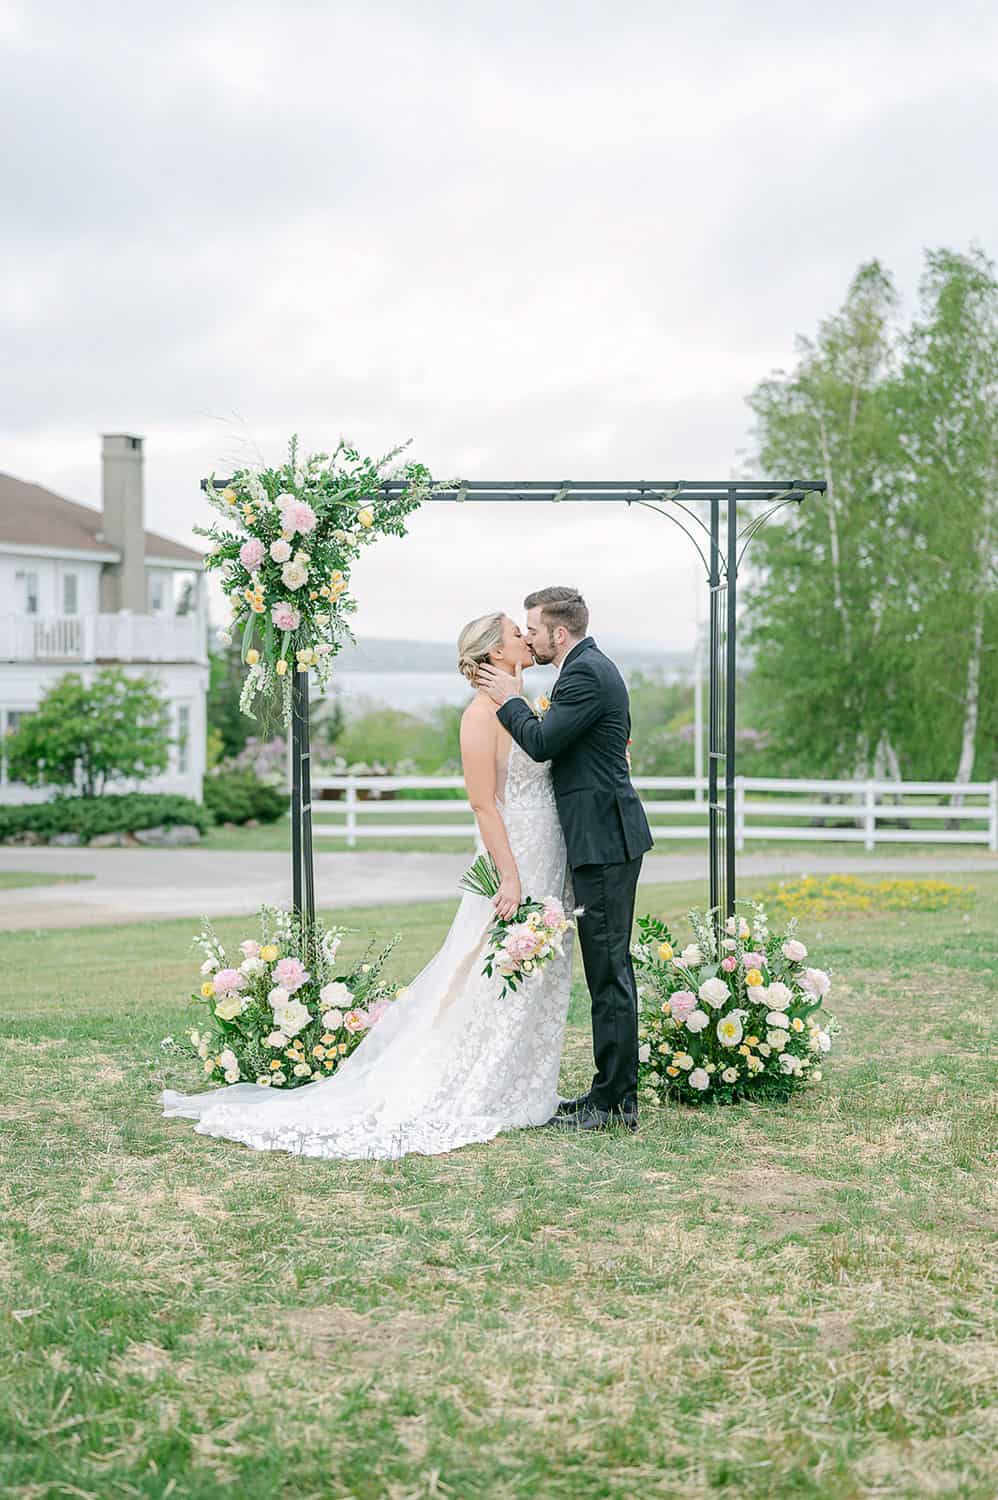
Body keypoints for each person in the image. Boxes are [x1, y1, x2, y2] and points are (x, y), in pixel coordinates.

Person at [162, 611, 575, 1159]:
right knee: (489, 965)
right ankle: (486, 1082)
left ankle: (528, 1083)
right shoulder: (479, 716)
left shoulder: (523, 706)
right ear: (495, 654)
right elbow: (483, 803)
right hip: (514, 855)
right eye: (514, 632)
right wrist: (510, 874)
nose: (526, 636)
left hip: (548, 846)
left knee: (536, 969)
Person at [479, 587, 653, 1133]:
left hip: (604, 842)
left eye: (533, 628)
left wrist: (510, 696)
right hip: (602, 837)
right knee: (608, 968)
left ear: (560, 632)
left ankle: (614, 1103)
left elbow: (541, 742)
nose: (528, 637)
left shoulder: (583, 673)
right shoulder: (586, 668)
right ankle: (609, 1092)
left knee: (609, 972)